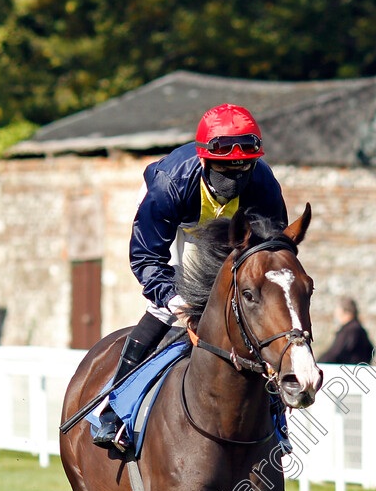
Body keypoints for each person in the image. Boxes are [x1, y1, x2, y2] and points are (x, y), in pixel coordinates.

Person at [93, 103, 288, 447]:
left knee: (250, 309)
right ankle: (114, 409)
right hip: (180, 224)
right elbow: (146, 256)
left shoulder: (263, 184)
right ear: (203, 160)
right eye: (225, 171)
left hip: (230, 230)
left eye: (244, 169)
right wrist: (170, 295)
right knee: (167, 308)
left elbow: (271, 251)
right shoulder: (170, 185)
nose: (235, 180)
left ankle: (276, 417)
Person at [317, 296, 374, 365]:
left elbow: (335, 353)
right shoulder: (359, 329)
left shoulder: (351, 330)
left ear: (345, 311)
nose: (336, 315)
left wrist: (318, 364)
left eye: (337, 310)